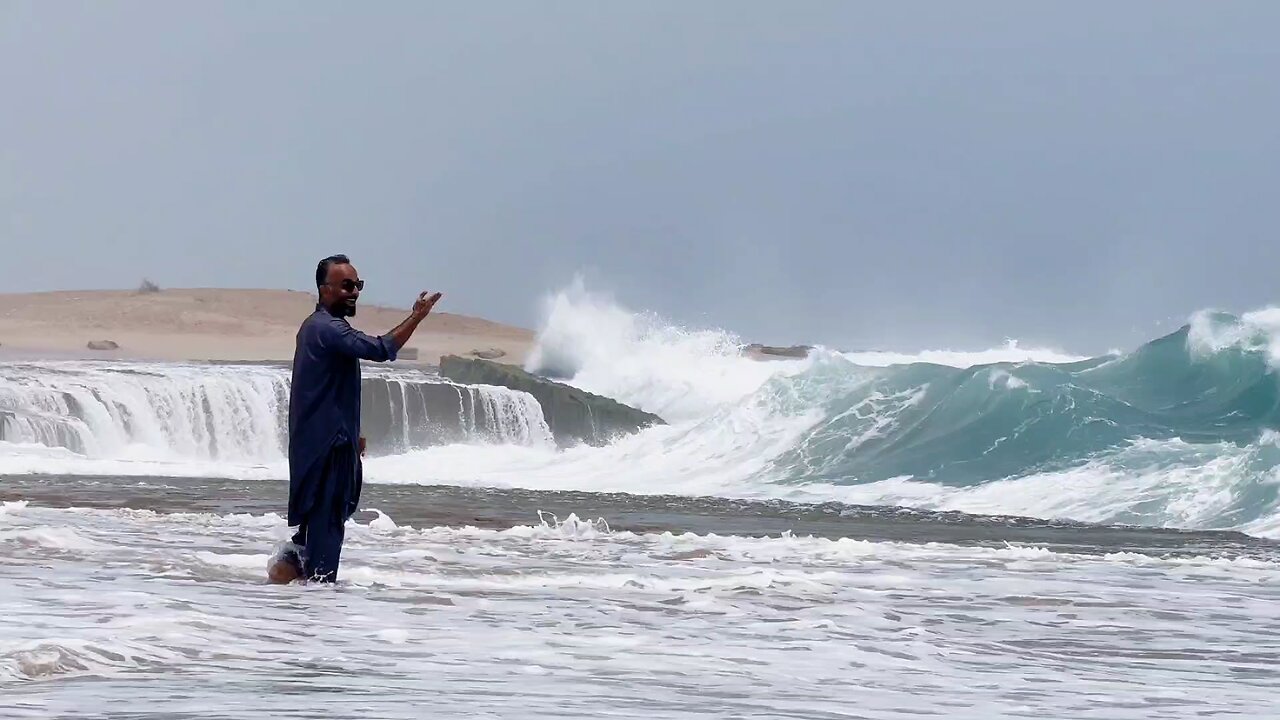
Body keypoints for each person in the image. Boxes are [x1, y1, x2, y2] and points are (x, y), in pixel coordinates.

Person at [271, 254, 441, 584]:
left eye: (358, 285)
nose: (354, 292)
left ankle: (281, 604)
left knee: (308, 544)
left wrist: (351, 431)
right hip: (327, 455)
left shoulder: (318, 328)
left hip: (324, 447)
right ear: (324, 289)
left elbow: (325, 392)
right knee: (323, 556)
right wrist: (416, 317)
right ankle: (316, 623)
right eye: (346, 285)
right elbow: (381, 348)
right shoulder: (326, 328)